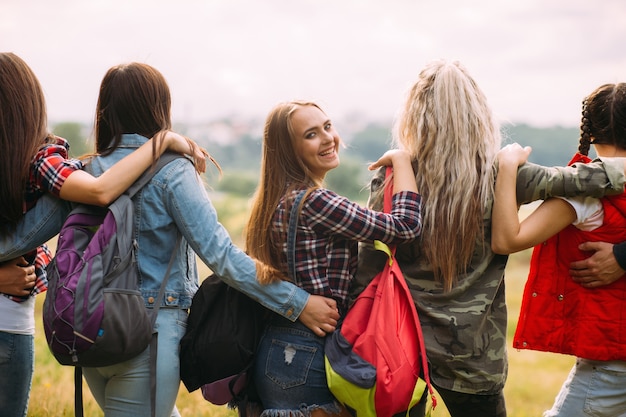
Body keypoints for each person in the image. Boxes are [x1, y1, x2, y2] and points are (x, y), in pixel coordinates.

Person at [352, 60, 626, 417]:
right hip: (475, 362)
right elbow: (607, 177)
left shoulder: (394, 181)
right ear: (479, 115)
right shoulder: (504, 177)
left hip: (398, 354)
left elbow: (366, 271)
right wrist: (509, 164)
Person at [71, 65, 340, 417]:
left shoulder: (84, 171)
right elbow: (221, 256)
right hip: (148, 335)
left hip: (91, 329)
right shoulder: (172, 171)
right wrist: (297, 303)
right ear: (159, 108)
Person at [0, 52, 207, 417]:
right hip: (135, 327)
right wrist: (163, 143)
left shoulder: (56, 163)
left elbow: (20, 239)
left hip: (82, 326)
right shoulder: (47, 161)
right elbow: (100, 192)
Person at [244, 101, 423, 416]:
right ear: (289, 151)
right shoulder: (317, 202)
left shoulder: (273, 202)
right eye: (311, 135)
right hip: (307, 350)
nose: (328, 138)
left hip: (275, 346)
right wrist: (401, 159)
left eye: (327, 126)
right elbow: (405, 226)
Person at [492, 83, 626, 417]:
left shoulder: (586, 193)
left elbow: (507, 240)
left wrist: (508, 168)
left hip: (613, 362)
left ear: (590, 133)